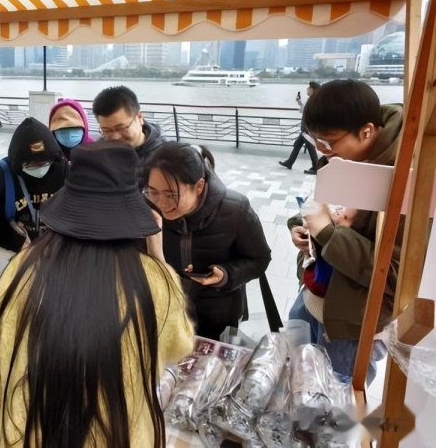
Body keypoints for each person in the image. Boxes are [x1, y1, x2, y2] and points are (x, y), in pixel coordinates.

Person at [0, 141, 193, 448]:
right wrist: (159, 258)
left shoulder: (22, 268)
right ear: (131, 212)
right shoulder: (153, 281)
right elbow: (180, 344)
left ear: (68, 204)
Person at [287, 79, 402, 384]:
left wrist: (327, 232)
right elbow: (319, 206)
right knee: (296, 380)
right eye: (316, 141)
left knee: (335, 400)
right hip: (313, 293)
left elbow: (395, 275)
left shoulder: (407, 176)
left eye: (330, 141)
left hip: (352, 324)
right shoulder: (342, 158)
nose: (323, 151)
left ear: (367, 131)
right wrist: (302, 227)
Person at [143, 142, 273, 341]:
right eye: (153, 191)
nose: (161, 202)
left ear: (199, 186)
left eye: (171, 194)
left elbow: (259, 259)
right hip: (168, 309)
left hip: (217, 313)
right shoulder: (149, 209)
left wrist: (226, 275)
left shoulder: (235, 209)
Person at [0, 117, 67, 254]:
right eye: (31, 164)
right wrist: (18, 242)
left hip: (58, 245)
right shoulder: (0, 174)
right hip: (14, 247)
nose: (39, 167)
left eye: (44, 162)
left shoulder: (63, 169)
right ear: (18, 162)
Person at [93, 86, 165, 185]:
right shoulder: (97, 154)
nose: (115, 137)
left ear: (139, 117)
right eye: (106, 130)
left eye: (121, 128)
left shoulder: (165, 158)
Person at [279, 81, 321, 174]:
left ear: (313, 89)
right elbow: (304, 109)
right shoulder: (312, 100)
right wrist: (299, 101)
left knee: (310, 147)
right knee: (298, 144)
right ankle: (290, 162)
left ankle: (315, 168)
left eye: (309, 87)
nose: (307, 89)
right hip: (306, 127)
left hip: (308, 128)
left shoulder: (314, 101)